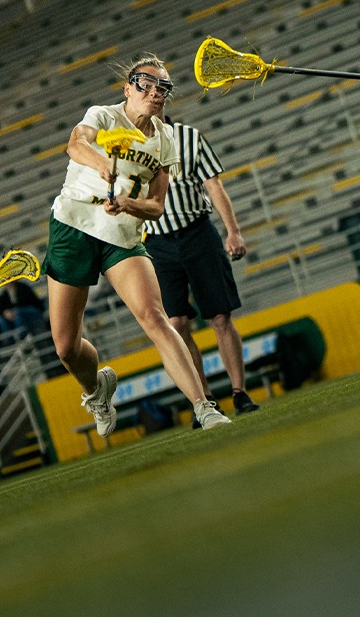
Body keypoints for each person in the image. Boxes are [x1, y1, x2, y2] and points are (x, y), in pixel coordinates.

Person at [47, 55, 232, 436]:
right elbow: (75, 144)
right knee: (66, 348)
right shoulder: (102, 115)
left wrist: (128, 204)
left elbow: (157, 206)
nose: (155, 91)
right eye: (145, 83)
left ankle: (204, 407)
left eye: (162, 87)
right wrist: (101, 164)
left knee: (156, 318)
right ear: (128, 88)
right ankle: (96, 390)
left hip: (122, 237)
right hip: (74, 226)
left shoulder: (164, 139)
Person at [144, 112, 260, 422]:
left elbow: (214, 185)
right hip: (157, 243)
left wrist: (232, 230)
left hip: (197, 232)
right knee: (176, 323)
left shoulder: (189, 138)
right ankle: (205, 400)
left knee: (220, 315)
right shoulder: (128, 148)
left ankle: (240, 392)